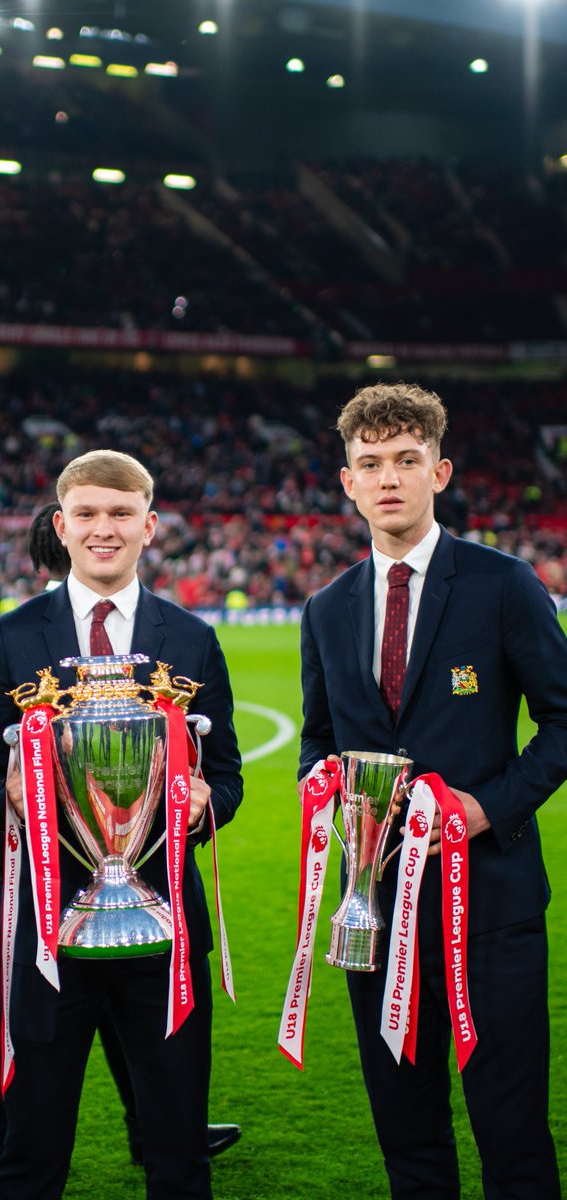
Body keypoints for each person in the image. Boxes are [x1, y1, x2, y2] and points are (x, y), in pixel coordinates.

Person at [299, 382, 567, 1200]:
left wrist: (486, 808)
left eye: (406, 460)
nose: (389, 478)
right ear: (346, 481)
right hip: (373, 911)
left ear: (440, 471)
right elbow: (319, 739)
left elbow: (562, 719)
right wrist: (322, 785)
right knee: (408, 1134)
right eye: (370, 463)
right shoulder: (326, 606)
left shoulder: (502, 583)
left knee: (511, 1129)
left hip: (491, 903)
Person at [0, 451, 243, 1200]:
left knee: (178, 1141)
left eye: (121, 514)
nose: (103, 529)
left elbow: (230, 777)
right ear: (61, 524)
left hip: (163, 921)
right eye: (86, 513)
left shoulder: (192, 638)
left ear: (150, 526)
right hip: (45, 929)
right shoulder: (12, 636)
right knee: (34, 1140)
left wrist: (202, 805)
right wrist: (11, 794)